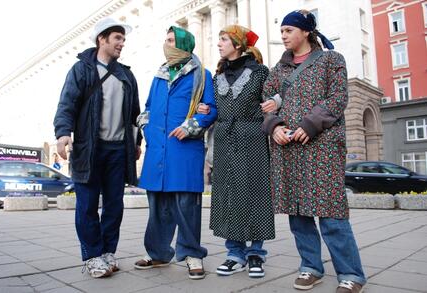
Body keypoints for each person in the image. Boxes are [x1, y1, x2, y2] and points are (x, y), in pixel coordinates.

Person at [261, 10, 366, 293]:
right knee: (298, 213)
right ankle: (310, 267)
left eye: (289, 30)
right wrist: (274, 127)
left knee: (331, 212)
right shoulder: (278, 71)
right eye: (281, 31)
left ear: (306, 31)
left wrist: (310, 124)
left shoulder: (332, 60)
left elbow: (338, 97)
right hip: (287, 149)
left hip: (322, 147)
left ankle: (352, 274)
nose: (283, 36)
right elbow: (266, 104)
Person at [53, 17, 141, 278]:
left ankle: (107, 252)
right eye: (117, 38)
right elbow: (66, 104)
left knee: (114, 205)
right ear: (102, 39)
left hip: (117, 150)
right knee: (88, 205)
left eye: (123, 39)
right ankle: (92, 256)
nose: (122, 44)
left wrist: (136, 143)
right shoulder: (82, 70)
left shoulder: (126, 74)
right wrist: (62, 134)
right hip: (88, 149)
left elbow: (135, 114)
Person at [134, 26, 217, 280]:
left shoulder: (201, 75)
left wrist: (190, 127)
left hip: (184, 150)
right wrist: (147, 129)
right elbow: (147, 108)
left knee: (186, 206)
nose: (166, 44)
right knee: (157, 206)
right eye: (166, 39)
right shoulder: (159, 76)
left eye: (171, 40)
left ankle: (193, 254)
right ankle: (158, 253)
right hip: (157, 150)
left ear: (183, 44)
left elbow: (211, 110)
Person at [201, 25, 279, 278]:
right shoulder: (217, 76)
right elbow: (214, 107)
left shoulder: (259, 72)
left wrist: (275, 103)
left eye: (223, 40)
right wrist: (206, 110)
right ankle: (234, 253)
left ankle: (256, 253)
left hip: (253, 136)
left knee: (255, 192)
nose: (219, 44)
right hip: (224, 139)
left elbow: (273, 99)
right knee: (228, 194)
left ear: (236, 44)